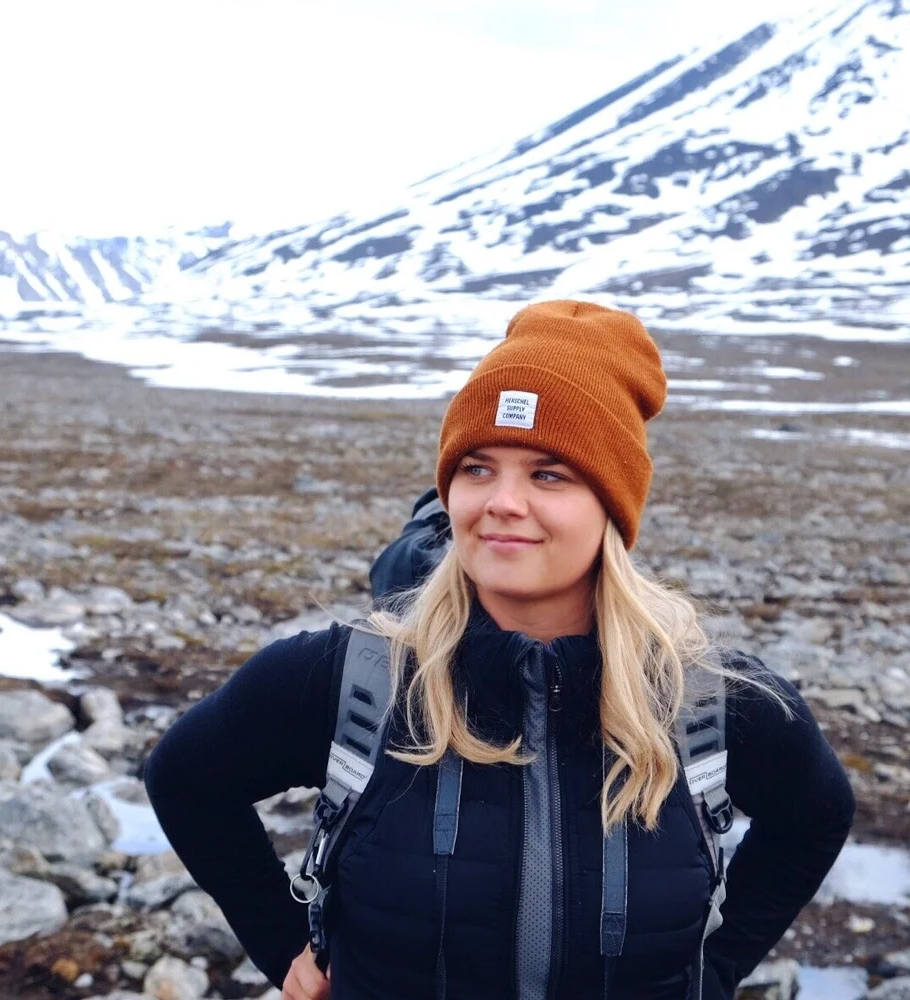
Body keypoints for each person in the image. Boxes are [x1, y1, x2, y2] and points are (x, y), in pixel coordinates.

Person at [144, 300, 855, 1000]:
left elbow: (815, 817)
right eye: (478, 468)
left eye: (549, 474)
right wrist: (282, 944)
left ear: (613, 505)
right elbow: (185, 778)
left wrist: (714, 971)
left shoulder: (709, 700)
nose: (501, 502)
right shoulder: (356, 677)